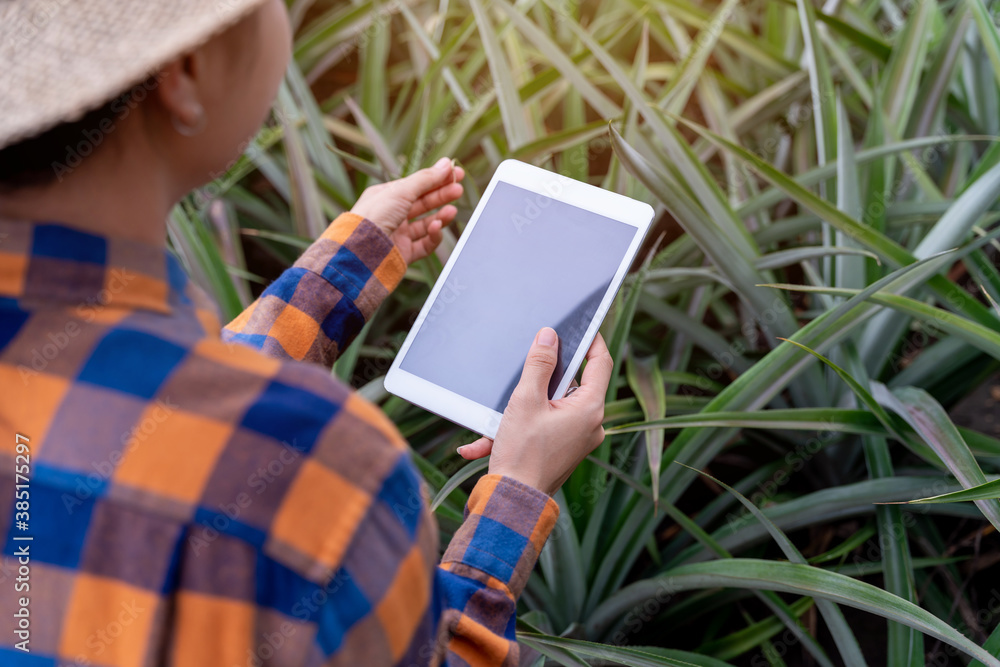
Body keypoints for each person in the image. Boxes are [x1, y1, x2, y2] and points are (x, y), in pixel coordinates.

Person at [0, 1, 613, 665]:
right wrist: (520, 487)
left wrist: (344, 267)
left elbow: (145, 414)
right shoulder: (321, 467)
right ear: (185, 71)